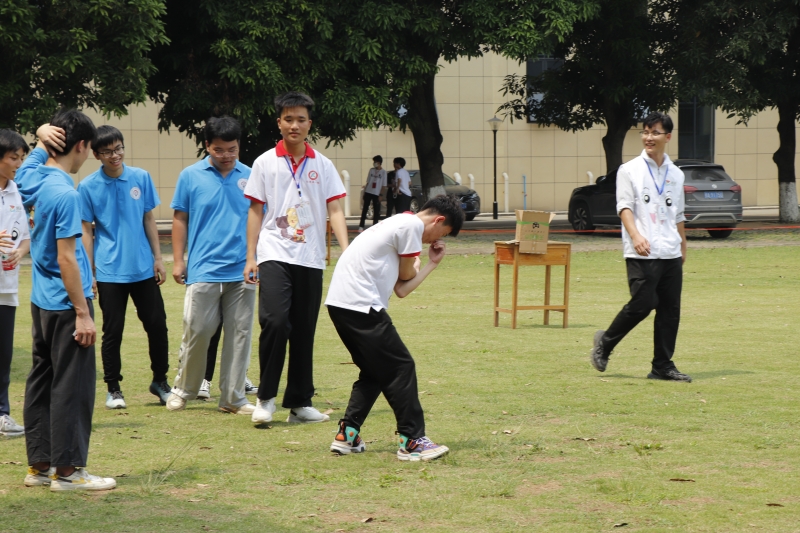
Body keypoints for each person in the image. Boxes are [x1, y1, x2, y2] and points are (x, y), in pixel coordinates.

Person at [16, 111, 116, 491]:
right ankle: (69, 471)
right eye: (89, 148)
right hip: (64, 303)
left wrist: (41, 138)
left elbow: (31, 163)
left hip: (40, 302)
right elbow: (67, 257)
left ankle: (40, 467)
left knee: (41, 381)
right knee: (71, 387)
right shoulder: (66, 194)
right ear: (81, 146)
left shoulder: (34, 177)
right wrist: (83, 313)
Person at [325, 195, 463, 460]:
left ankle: (348, 435)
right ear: (439, 220)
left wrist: (431, 264)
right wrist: (417, 263)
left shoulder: (397, 224)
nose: (433, 241)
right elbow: (407, 274)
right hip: (361, 306)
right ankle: (412, 440)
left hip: (343, 304)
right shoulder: (410, 227)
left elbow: (401, 289)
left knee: (375, 372)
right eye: (440, 234)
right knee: (402, 366)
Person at [243, 91, 349, 425]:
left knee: (304, 328)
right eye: (288, 119)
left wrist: (347, 252)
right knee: (275, 322)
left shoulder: (323, 164)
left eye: (301, 119)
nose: (295, 125)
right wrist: (250, 257)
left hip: (311, 255)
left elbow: (335, 208)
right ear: (279, 122)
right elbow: (256, 211)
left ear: (309, 124)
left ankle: (301, 403)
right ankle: (266, 399)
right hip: (274, 252)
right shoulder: (264, 162)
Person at [590, 111, 692, 383]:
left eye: (655, 132)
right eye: (645, 132)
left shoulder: (677, 174)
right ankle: (605, 343)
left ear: (667, 137)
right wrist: (635, 235)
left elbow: (678, 214)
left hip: (669, 249)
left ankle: (662, 365)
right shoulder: (630, 170)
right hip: (641, 250)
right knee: (643, 304)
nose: (649, 137)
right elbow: (623, 207)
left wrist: (683, 245)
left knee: (670, 310)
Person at [165, 116, 256, 415]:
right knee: (198, 330)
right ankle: (184, 389)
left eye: (232, 149)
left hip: (243, 270)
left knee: (239, 334)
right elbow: (180, 218)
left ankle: (232, 397)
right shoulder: (190, 176)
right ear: (207, 146)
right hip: (203, 267)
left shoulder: (252, 176)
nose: (226, 156)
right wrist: (179, 261)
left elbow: (261, 219)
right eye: (219, 150)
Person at [78, 126, 171, 409]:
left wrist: (158, 258)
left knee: (157, 325)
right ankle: (114, 388)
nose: (114, 155)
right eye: (107, 151)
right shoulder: (88, 186)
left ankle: (161, 381)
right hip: (109, 271)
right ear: (96, 154)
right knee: (113, 330)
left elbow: (148, 219)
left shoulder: (140, 178)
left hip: (143, 267)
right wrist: (89, 272)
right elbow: (86, 231)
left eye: (118, 148)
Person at [0, 129, 31, 439]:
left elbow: (23, 237)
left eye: (21, 158)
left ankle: (2, 414)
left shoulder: (14, 191)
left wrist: (20, 253)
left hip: (6, 287)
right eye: (13, 158)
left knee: (3, 355)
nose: (18, 163)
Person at [358, 155, 387, 232]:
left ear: (379, 162)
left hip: (376, 193)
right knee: (365, 209)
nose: (374, 163)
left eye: (375, 162)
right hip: (368, 191)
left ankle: (375, 226)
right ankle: (361, 225)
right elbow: (368, 182)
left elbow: (384, 185)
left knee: (376, 210)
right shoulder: (371, 170)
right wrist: (365, 192)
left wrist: (381, 195)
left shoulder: (383, 172)